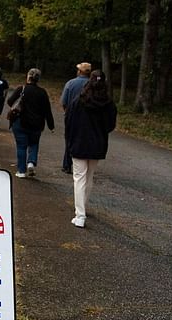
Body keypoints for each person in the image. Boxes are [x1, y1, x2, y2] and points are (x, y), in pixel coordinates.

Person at [64, 70, 117, 228]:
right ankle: (83, 208)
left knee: (79, 178)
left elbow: (69, 121)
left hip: (79, 143)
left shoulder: (79, 101)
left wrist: (70, 140)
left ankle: (80, 214)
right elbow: (110, 125)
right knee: (89, 177)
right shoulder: (108, 104)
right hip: (97, 144)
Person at [5, 68, 55, 178]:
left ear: (28, 77)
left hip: (20, 122)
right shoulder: (42, 92)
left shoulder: (21, 89)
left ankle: (21, 171)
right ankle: (31, 162)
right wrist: (51, 126)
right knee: (34, 143)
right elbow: (47, 111)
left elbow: (9, 101)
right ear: (38, 79)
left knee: (21, 146)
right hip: (37, 124)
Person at [60, 62, 91, 174]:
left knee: (69, 138)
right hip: (88, 118)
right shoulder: (91, 85)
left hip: (71, 116)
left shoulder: (70, 83)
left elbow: (64, 101)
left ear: (79, 71)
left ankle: (67, 164)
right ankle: (84, 164)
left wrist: (67, 111)